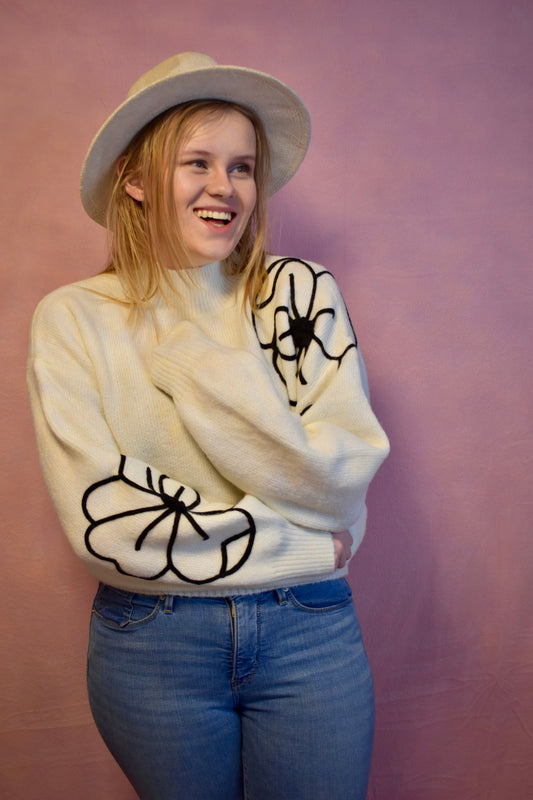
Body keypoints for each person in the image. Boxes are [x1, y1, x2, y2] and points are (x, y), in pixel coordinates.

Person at [27, 52, 390, 800]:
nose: (224, 188)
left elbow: (343, 470)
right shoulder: (74, 319)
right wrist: (302, 545)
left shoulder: (297, 293)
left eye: (243, 167)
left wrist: (195, 368)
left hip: (308, 633)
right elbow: (110, 524)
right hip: (154, 646)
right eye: (196, 162)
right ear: (135, 179)